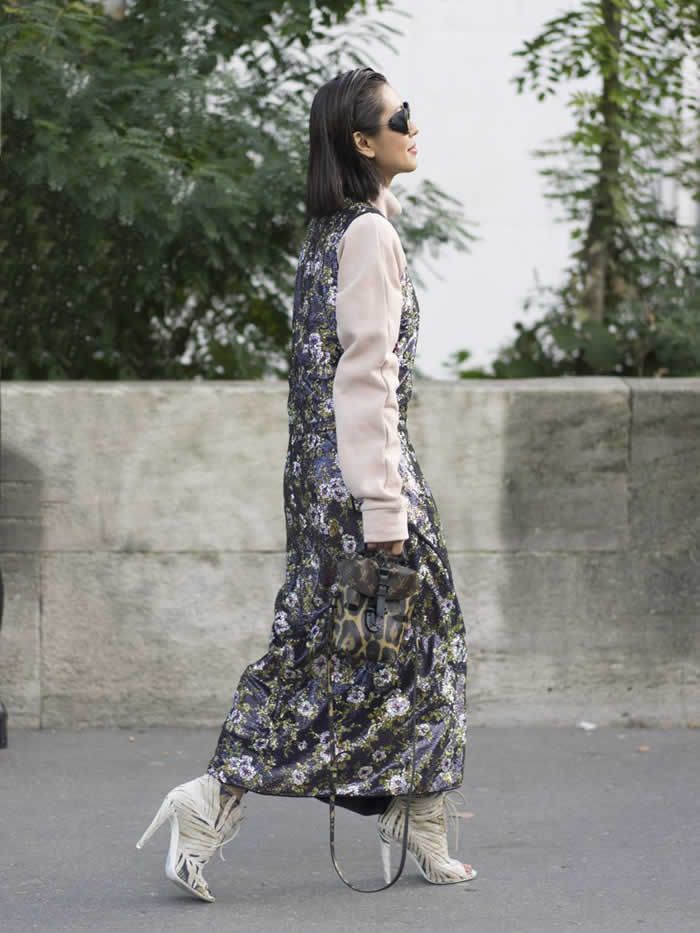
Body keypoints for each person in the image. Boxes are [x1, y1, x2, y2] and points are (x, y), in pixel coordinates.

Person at [136, 66, 477, 900]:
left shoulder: (334, 231)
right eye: (400, 116)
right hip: (363, 479)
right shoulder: (368, 235)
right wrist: (385, 504)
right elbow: (366, 376)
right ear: (362, 141)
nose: (413, 126)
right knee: (412, 644)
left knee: (357, 647)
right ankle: (215, 797)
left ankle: (410, 811)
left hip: (325, 476)